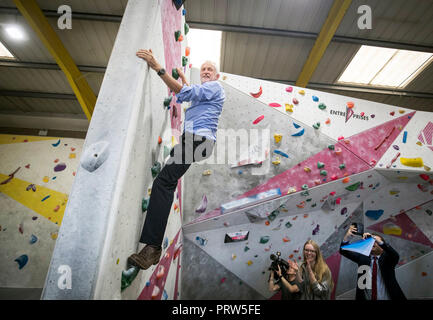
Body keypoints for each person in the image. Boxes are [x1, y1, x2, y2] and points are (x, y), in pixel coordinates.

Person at [128, 49, 225, 270]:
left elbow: (183, 91)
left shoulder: (215, 87)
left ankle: (152, 248)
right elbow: (185, 92)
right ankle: (153, 246)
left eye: (210, 69)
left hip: (198, 141)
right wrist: (183, 81)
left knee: (163, 182)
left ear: (217, 76)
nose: (207, 71)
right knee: (167, 180)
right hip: (193, 142)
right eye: (204, 69)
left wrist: (157, 66)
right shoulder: (203, 91)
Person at [339, 225, 406, 300]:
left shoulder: (388, 259)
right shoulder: (363, 258)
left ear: (382, 247)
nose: (372, 243)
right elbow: (343, 251)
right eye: (370, 241)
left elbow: (395, 255)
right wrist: (347, 237)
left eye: (375, 241)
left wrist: (377, 239)